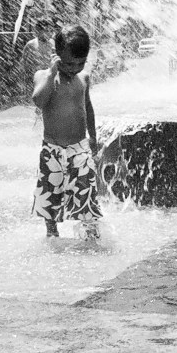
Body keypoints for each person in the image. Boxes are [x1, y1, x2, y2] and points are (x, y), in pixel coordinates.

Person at [31, 25, 102, 240]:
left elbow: (87, 108)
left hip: (79, 147)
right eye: (70, 63)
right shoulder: (44, 76)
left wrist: (93, 136)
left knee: (86, 189)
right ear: (57, 55)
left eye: (81, 63)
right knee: (51, 191)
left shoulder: (84, 79)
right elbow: (39, 100)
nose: (75, 68)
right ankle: (52, 232)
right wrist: (52, 73)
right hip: (52, 149)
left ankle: (90, 231)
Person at [22, 19, 55, 88]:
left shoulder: (53, 44)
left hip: (49, 80)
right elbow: (25, 65)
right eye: (47, 30)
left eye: (51, 30)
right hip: (35, 80)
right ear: (38, 30)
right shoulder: (31, 45)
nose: (50, 33)